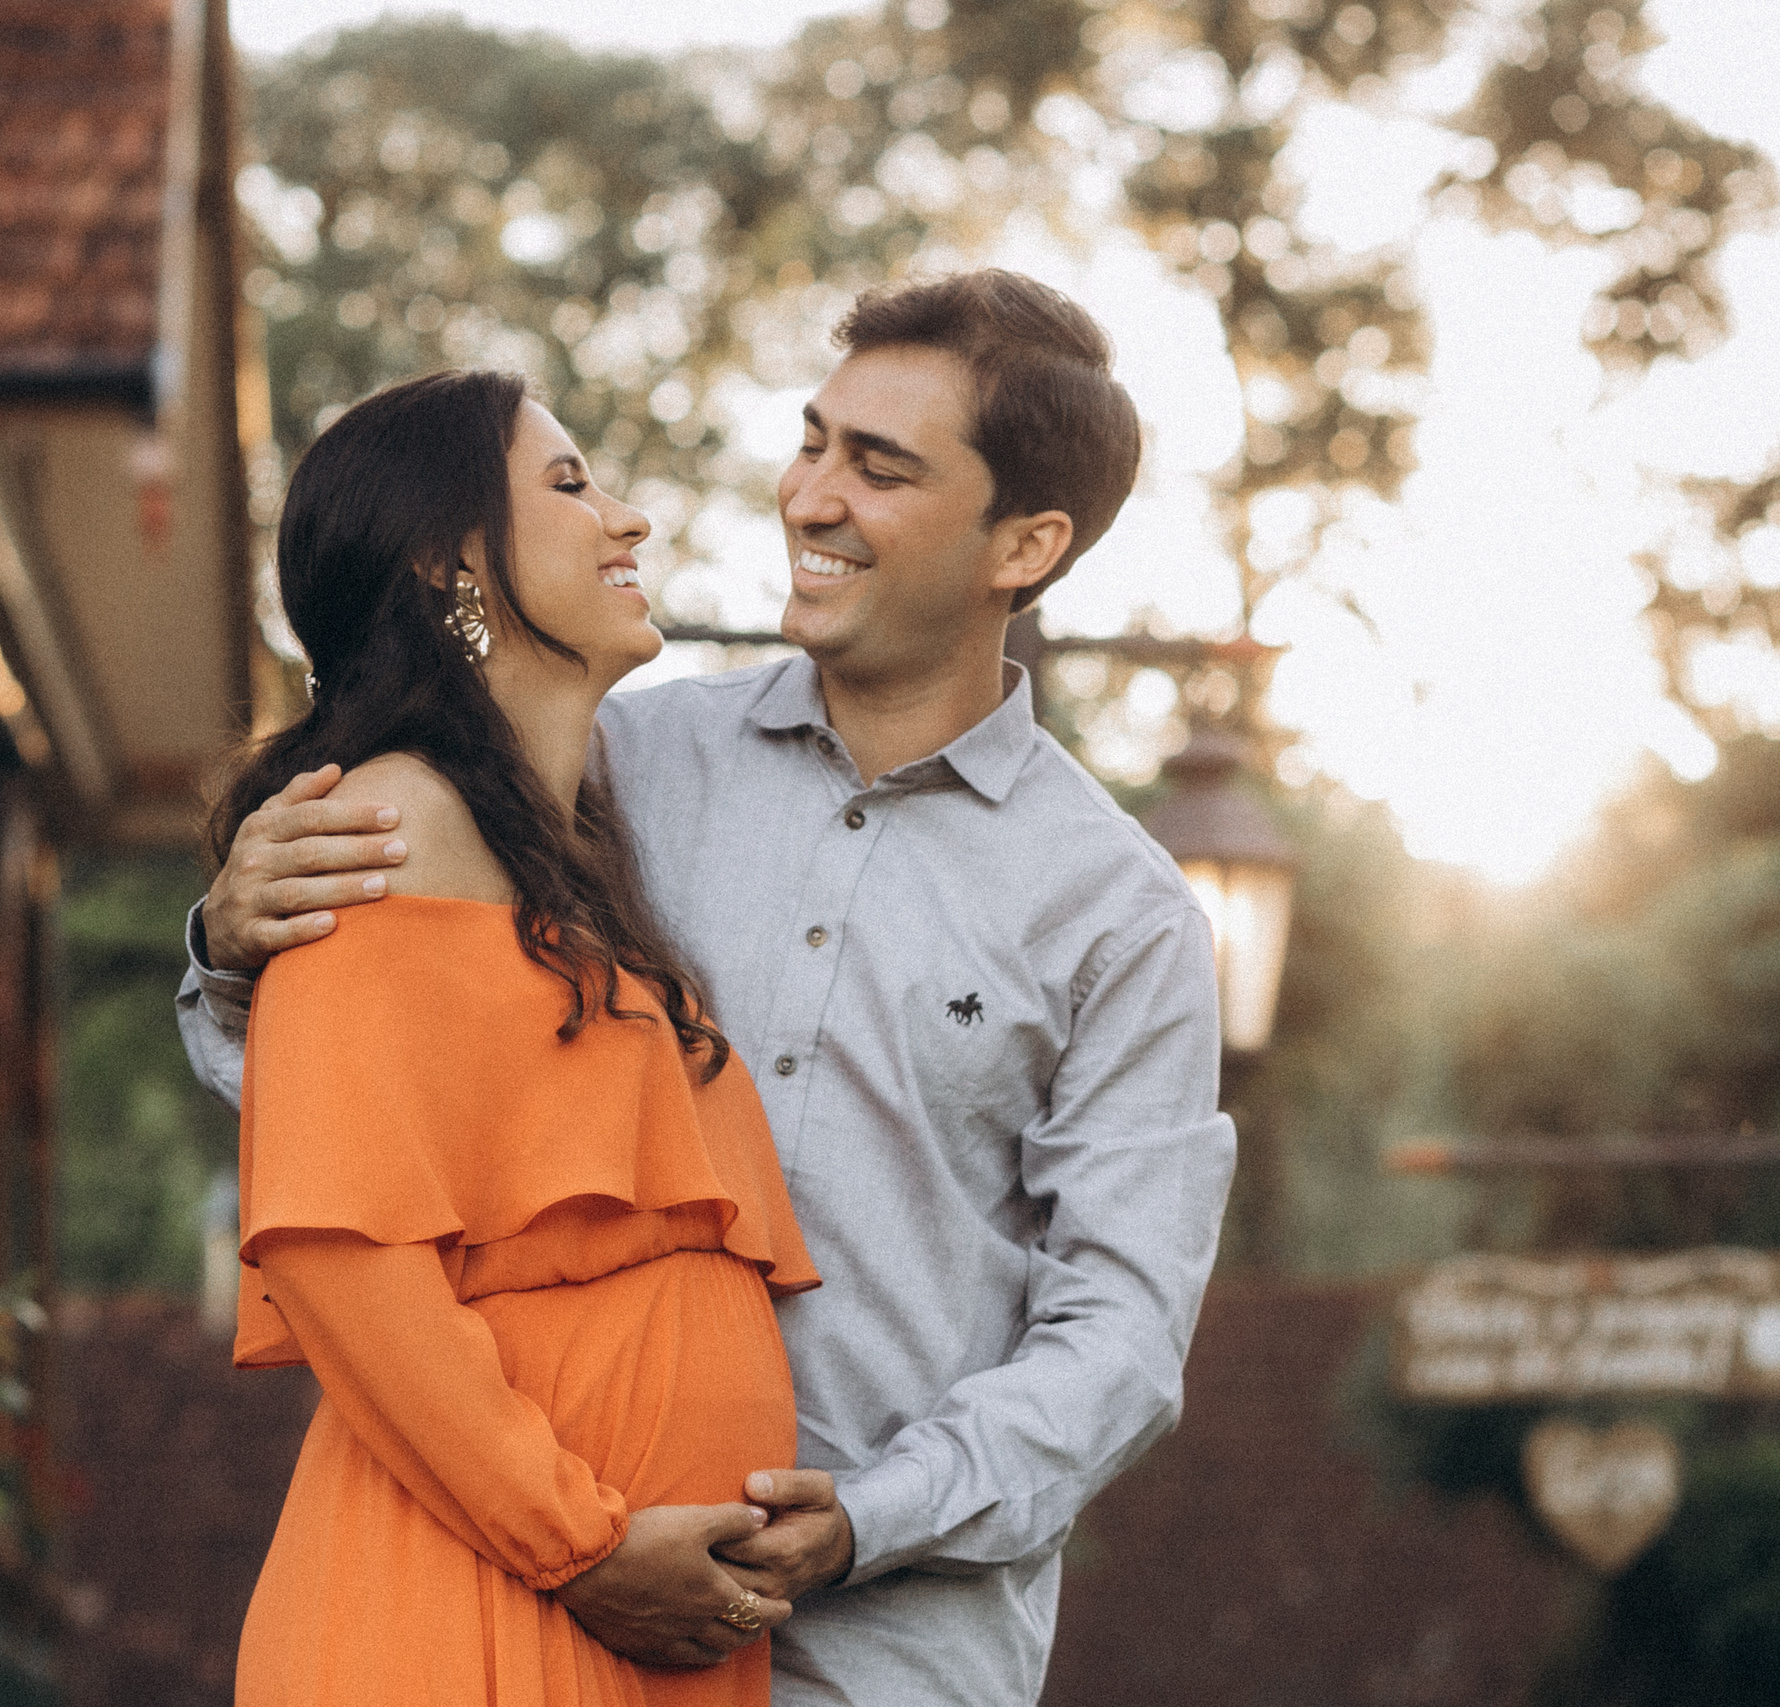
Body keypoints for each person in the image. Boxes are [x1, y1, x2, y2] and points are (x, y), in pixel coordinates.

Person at [183, 270, 1239, 1704]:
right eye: (812, 442)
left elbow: (1119, 1339)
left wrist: (867, 1519)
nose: (809, 498)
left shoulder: (1120, 916)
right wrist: (231, 949)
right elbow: (347, 1132)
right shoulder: (597, 767)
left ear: (1025, 543)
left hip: (888, 1653)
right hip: (550, 1595)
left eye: (880, 470)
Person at [213, 368, 822, 1705]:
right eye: (569, 484)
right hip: (487, 1605)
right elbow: (342, 1259)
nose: (627, 519)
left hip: (628, 1619)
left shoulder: (571, 850)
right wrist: (581, 1546)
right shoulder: (386, 826)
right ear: (447, 561)